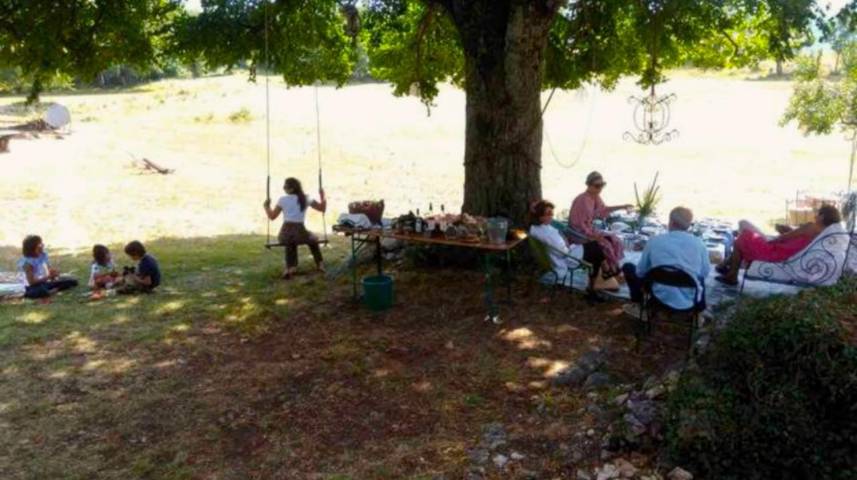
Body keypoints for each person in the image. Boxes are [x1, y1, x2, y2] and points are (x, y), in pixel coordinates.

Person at [715, 204, 842, 285]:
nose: (815, 215)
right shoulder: (821, 233)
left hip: (775, 253)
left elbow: (785, 237)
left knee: (744, 237)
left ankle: (731, 274)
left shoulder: (811, 226)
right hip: (786, 255)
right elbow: (797, 238)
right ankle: (727, 268)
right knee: (745, 238)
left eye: (818, 213)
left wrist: (771, 240)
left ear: (822, 216)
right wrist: (787, 233)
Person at [622, 207, 710, 318]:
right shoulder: (699, 244)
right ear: (688, 225)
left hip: (659, 296)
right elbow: (704, 272)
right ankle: (699, 313)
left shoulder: (655, 241)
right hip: (689, 300)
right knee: (699, 277)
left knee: (628, 267)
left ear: (671, 222)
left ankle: (639, 306)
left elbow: (640, 272)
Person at [569, 171, 632, 291]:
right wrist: (591, 236)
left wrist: (622, 206)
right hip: (579, 233)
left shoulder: (595, 197)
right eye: (597, 186)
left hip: (588, 229)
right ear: (588, 185)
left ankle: (613, 270)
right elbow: (577, 224)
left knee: (614, 239)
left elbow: (603, 210)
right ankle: (610, 272)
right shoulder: (582, 200)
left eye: (602, 185)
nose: (600, 188)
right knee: (605, 244)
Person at [263, 177, 327, 279]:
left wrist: (266, 206)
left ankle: (290, 267)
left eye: (285, 187)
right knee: (313, 239)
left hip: (285, 233)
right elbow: (322, 208)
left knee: (290, 240)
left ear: (292, 189)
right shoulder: (306, 198)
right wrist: (322, 196)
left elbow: (272, 216)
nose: (283, 188)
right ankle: (320, 264)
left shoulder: (282, 200)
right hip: (300, 232)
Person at [17, 235, 78, 299]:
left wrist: (53, 273)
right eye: (40, 244)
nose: (43, 245)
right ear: (33, 247)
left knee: (72, 281)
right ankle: (49, 291)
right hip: (32, 285)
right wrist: (48, 277)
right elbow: (32, 282)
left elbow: (48, 268)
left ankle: (52, 290)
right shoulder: (27, 263)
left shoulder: (43, 254)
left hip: (44, 281)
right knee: (39, 290)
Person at [529, 200, 575, 280]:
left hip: (566, 251)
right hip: (567, 257)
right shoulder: (545, 233)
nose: (552, 216)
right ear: (540, 216)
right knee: (595, 249)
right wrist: (569, 247)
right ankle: (594, 283)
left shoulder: (538, 228)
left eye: (552, 213)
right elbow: (562, 253)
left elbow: (558, 234)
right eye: (549, 213)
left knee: (594, 247)